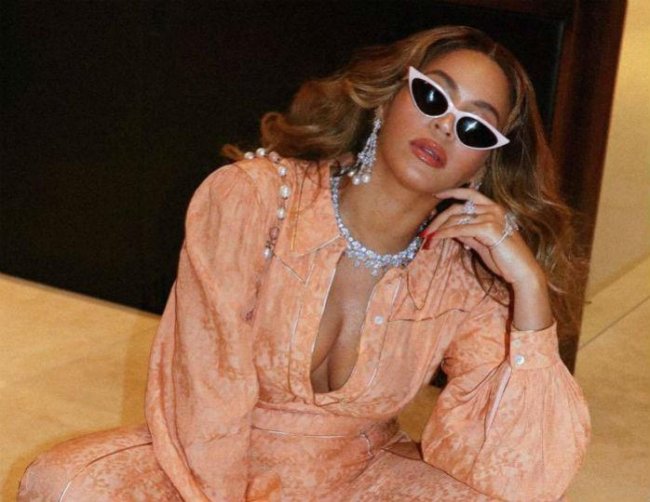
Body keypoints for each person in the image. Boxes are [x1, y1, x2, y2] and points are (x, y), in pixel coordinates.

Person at [18, 25, 590, 501]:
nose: (445, 125)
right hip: (208, 464)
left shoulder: (461, 274)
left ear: (483, 164)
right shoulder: (257, 198)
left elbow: (519, 475)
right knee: (66, 484)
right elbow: (205, 392)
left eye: (474, 126)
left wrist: (528, 286)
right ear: (387, 98)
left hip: (360, 477)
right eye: (432, 97)